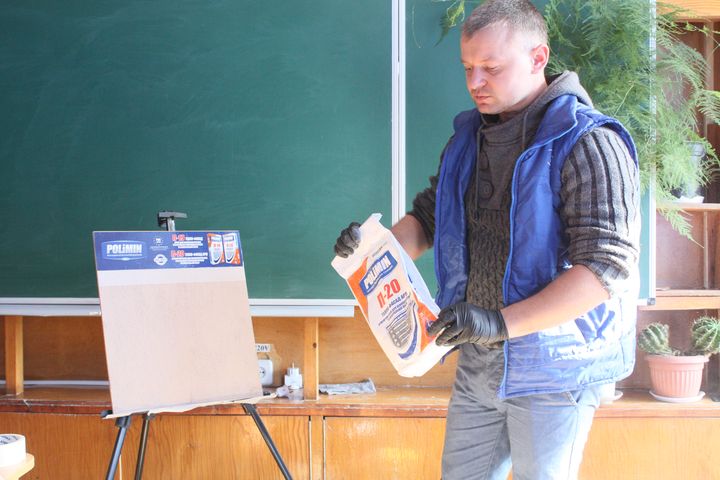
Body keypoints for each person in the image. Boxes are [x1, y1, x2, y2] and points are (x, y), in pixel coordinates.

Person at [334, 0, 640, 479]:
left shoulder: (589, 142)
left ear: (538, 58)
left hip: (554, 370)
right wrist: (371, 249)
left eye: (491, 68)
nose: (475, 82)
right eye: (467, 68)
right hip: (478, 359)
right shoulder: (467, 139)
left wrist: (499, 322)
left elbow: (605, 269)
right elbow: (429, 218)